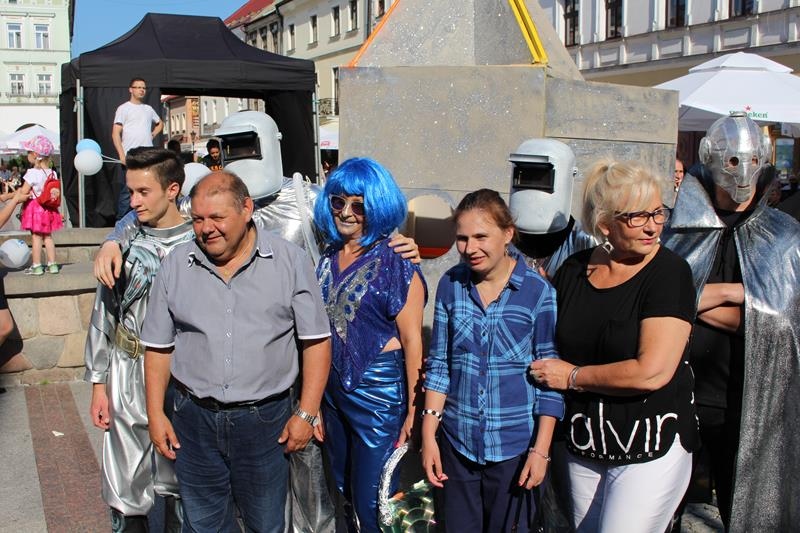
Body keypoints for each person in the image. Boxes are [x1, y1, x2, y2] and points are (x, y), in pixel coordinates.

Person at [142, 171, 332, 532]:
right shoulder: (176, 265)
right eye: (198, 219)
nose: (206, 229)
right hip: (193, 421)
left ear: (246, 209)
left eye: (217, 217)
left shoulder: (290, 261)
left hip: (265, 424)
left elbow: (316, 341)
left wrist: (306, 413)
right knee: (204, 525)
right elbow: (158, 348)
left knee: (265, 524)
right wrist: (155, 414)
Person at [531, 160, 699, 533]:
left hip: (650, 444)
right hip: (584, 442)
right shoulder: (573, 270)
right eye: (638, 216)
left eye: (657, 212)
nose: (653, 226)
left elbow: (651, 371)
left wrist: (573, 377)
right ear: (605, 224)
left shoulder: (670, 273)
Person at [662, 112, 800, 532]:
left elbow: (781, 324)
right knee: (662, 509)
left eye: (751, 161)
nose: (742, 174)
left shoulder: (784, 236)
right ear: (710, 158)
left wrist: (700, 300)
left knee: (747, 509)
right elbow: (659, 304)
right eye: (733, 161)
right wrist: (740, 292)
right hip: (677, 396)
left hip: (748, 401)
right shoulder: (677, 230)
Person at [422, 188, 564, 532]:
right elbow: (440, 365)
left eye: (481, 237)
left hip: (514, 449)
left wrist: (541, 451)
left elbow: (550, 379)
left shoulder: (538, 292)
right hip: (458, 444)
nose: (470, 248)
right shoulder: (450, 285)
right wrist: (428, 436)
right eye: (462, 238)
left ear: (507, 234)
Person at [313, 157, 426, 533]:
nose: (346, 212)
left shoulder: (398, 260)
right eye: (338, 201)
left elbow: (413, 341)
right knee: (344, 492)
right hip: (332, 394)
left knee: (377, 501)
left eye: (359, 205)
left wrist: (414, 411)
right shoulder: (327, 255)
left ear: (377, 206)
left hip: (379, 395)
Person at [84, 147, 190, 532]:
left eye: (144, 192)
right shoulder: (121, 248)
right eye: (130, 192)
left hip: (183, 376)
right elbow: (105, 315)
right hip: (128, 372)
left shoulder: (200, 243)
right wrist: (99, 383)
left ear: (173, 189)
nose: (134, 202)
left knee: (182, 479)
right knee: (125, 483)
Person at [112, 77, 163, 220]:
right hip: (131, 155)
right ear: (131, 89)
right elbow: (115, 133)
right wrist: (122, 155)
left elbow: (160, 123)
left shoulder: (148, 109)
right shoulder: (124, 108)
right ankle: (122, 221)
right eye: (138, 87)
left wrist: (152, 134)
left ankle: (145, 218)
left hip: (147, 154)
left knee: (147, 186)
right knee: (127, 190)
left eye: (144, 88)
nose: (141, 90)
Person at [16, 135, 62, 275]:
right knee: (48, 237)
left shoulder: (32, 173)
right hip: (48, 209)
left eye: (29, 152)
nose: (27, 155)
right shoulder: (52, 173)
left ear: (35, 155)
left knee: (36, 237)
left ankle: (36, 266)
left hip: (35, 209)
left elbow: (24, 191)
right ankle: (52, 265)